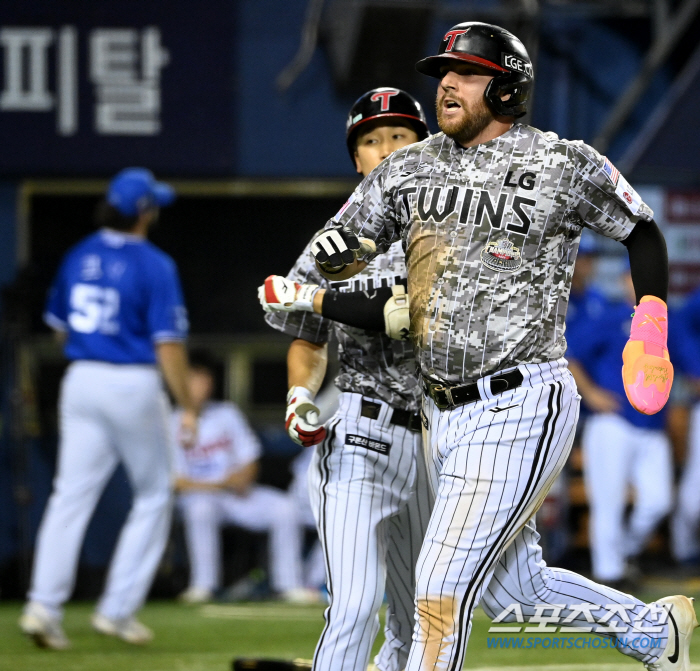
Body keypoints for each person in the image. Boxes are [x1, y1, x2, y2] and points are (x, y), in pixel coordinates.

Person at [306, 22, 694, 671]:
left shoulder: (561, 161)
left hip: (520, 400)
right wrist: (336, 258)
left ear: (508, 86)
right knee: (518, 591)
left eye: (465, 73)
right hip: (441, 414)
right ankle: (655, 630)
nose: (447, 85)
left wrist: (649, 327)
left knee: (439, 588)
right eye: (442, 74)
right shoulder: (411, 165)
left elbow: (644, 234)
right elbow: (344, 243)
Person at [261, 88, 434, 671]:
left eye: (399, 136)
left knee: (423, 622)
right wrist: (300, 396)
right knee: (357, 608)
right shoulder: (331, 244)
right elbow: (307, 339)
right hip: (362, 435)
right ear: (355, 158)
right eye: (370, 139)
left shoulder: (454, 229)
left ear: (425, 146)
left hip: (441, 442)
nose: (385, 150)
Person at [20, 168, 197, 649]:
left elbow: (59, 328)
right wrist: (188, 405)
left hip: (80, 379)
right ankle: (117, 610)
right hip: (131, 380)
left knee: (69, 495)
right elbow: (168, 346)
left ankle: (42, 605)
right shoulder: (154, 264)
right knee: (155, 493)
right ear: (143, 212)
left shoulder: (79, 255)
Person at [173, 351, 308, 604]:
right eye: (194, 379)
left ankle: (289, 585)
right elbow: (175, 482)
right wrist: (220, 483)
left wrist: (244, 476)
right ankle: (203, 586)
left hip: (236, 495)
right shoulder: (169, 420)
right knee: (200, 509)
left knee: (285, 508)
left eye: (205, 379)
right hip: (197, 498)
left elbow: (250, 457)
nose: (201, 386)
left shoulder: (226, 413)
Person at [567, 269, 673, 588]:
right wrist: (591, 392)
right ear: (623, 281)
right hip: (612, 421)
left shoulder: (668, 322)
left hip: (653, 425)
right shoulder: (613, 316)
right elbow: (570, 355)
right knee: (607, 501)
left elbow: (687, 360)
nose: (636, 282)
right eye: (630, 278)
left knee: (658, 501)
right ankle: (609, 575)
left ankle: (623, 553)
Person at [671, 285, 700, 565]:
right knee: (695, 492)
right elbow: (678, 330)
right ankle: (683, 551)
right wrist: (695, 369)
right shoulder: (695, 302)